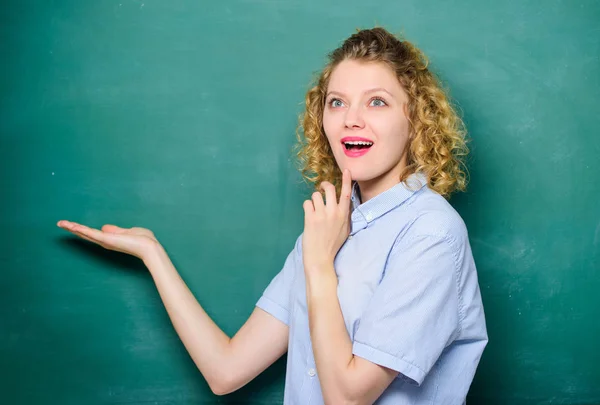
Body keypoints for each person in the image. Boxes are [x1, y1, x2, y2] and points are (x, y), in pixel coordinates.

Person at [57, 27, 487, 404]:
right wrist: (152, 254)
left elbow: (348, 399)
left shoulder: (430, 232)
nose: (351, 120)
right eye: (337, 103)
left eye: (377, 102)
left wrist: (319, 264)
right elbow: (225, 372)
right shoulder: (330, 227)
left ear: (415, 120)